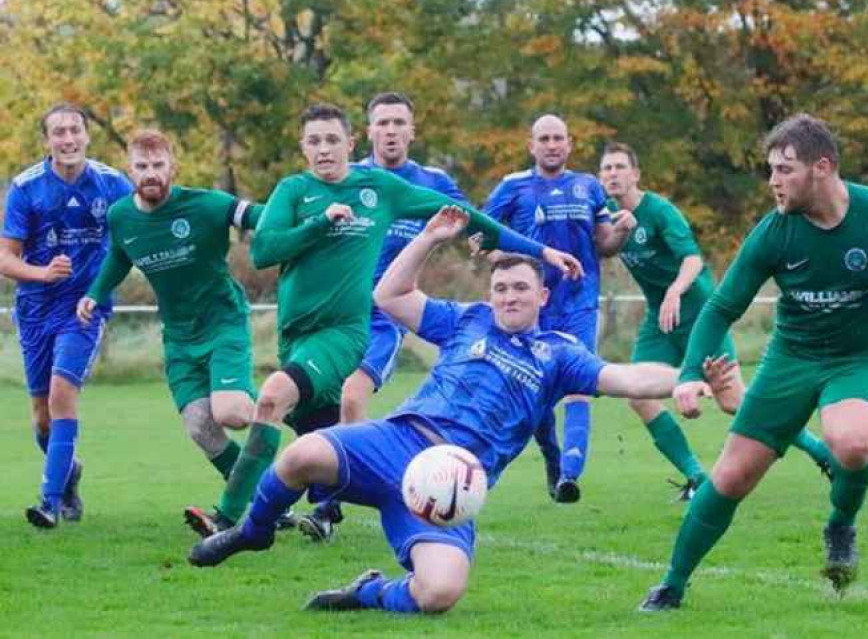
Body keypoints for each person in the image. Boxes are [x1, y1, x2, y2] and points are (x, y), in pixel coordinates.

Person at [186, 206, 737, 615]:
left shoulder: (559, 355)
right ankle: (254, 530)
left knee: (440, 593)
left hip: (453, 483)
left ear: (543, 296)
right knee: (302, 453)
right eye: (501, 288)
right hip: (398, 441)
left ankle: (370, 591)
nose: (509, 297)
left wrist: (689, 378)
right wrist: (428, 239)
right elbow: (390, 297)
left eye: (521, 288)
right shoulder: (466, 320)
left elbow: (629, 376)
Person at [639, 114, 868, 612]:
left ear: (822, 167)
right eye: (770, 169)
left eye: (785, 169)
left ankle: (840, 524)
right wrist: (691, 373)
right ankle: (671, 586)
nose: (773, 181)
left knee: (850, 443)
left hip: (864, 358)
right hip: (791, 358)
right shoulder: (774, 233)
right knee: (731, 477)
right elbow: (722, 307)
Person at [183, 102, 582, 540]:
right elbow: (263, 252)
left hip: (348, 330)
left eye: (332, 140)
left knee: (276, 396)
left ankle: (229, 519)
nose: (324, 149)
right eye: (314, 141)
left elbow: (467, 217)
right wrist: (319, 224)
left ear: (351, 144)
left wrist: (540, 252)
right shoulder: (293, 191)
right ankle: (359, 502)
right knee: (322, 443)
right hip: (297, 333)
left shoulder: (380, 188)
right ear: (303, 147)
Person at [598, 142, 832, 500]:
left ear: (636, 174)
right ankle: (696, 477)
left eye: (618, 167)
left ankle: (822, 453)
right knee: (636, 394)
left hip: (699, 313)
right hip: (660, 320)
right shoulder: (609, 218)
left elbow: (692, 260)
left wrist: (675, 290)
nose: (612, 174)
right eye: (606, 169)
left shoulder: (660, 211)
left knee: (735, 402)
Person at [298, 92, 471, 543]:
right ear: (367, 134)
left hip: (383, 317)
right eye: (383, 123)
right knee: (302, 402)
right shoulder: (346, 178)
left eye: (399, 122)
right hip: (334, 314)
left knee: (353, 397)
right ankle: (343, 480)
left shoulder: (431, 182)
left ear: (413, 130)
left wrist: (484, 239)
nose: (391, 131)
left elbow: (470, 219)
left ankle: (328, 507)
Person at [78, 129, 261, 493]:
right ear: (128, 170)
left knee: (232, 413)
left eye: (158, 164)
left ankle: (287, 408)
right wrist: (95, 293)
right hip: (178, 336)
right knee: (199, 426)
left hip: (222, 321)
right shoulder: (120, 216)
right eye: (141, 165)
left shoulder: (205, 205)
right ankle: (260, 493)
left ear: (173, 167)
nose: (150, 173)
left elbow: (260, 216)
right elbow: (119, 255)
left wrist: (305, 216)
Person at [481, 114, 633, 503]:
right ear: (531, 145)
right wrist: (516, 258)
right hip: (531, 307)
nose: (552, 145)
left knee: (579, 385)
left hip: (580, 303)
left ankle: (569, 474)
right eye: (544, 138)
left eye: (558, 138)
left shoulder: (588, 187)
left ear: (569, 144)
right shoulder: (512, 187)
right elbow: (481, 241)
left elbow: (605, 244)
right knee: (536, 390)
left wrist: (623, 231)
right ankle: (552, 456)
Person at [0, 103, 132, 529]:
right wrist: (42, 272)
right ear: (48, 141)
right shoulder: (26, 188)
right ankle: (69, 472)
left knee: (61, 395)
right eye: (59, 132)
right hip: (36, 309)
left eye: (75, 129)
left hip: (84, 306)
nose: (68, 138)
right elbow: (5, 258)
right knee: (41, 414)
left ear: (87, 135)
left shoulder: (112, 184)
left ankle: (49, 502)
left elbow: (143, 227)